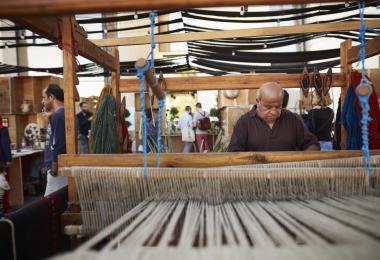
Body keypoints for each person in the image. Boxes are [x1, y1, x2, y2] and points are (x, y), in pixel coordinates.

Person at [228, 82, 320, 152]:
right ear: (258, 101)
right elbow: (234, 152)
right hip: (255, 175)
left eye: (277, 107)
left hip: (288, 175)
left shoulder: (292, 119)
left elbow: (312, 144)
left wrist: (304, 160)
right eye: (268, 107)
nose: (273, 111)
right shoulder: (244, 122)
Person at [42, 84, 67, 196]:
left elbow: (57, 144)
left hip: (57, 170)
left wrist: (54, 169)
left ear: (51, 97)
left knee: (48, 207)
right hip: (60, 166)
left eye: (44, 97)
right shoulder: (61, 114)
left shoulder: (59, 116)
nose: (43, 101)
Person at [0, 115, 12, 213]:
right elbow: (5, 145)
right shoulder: (3, 130)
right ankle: (5, 206)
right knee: (4, 183)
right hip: (2, 161)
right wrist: (8, 159)